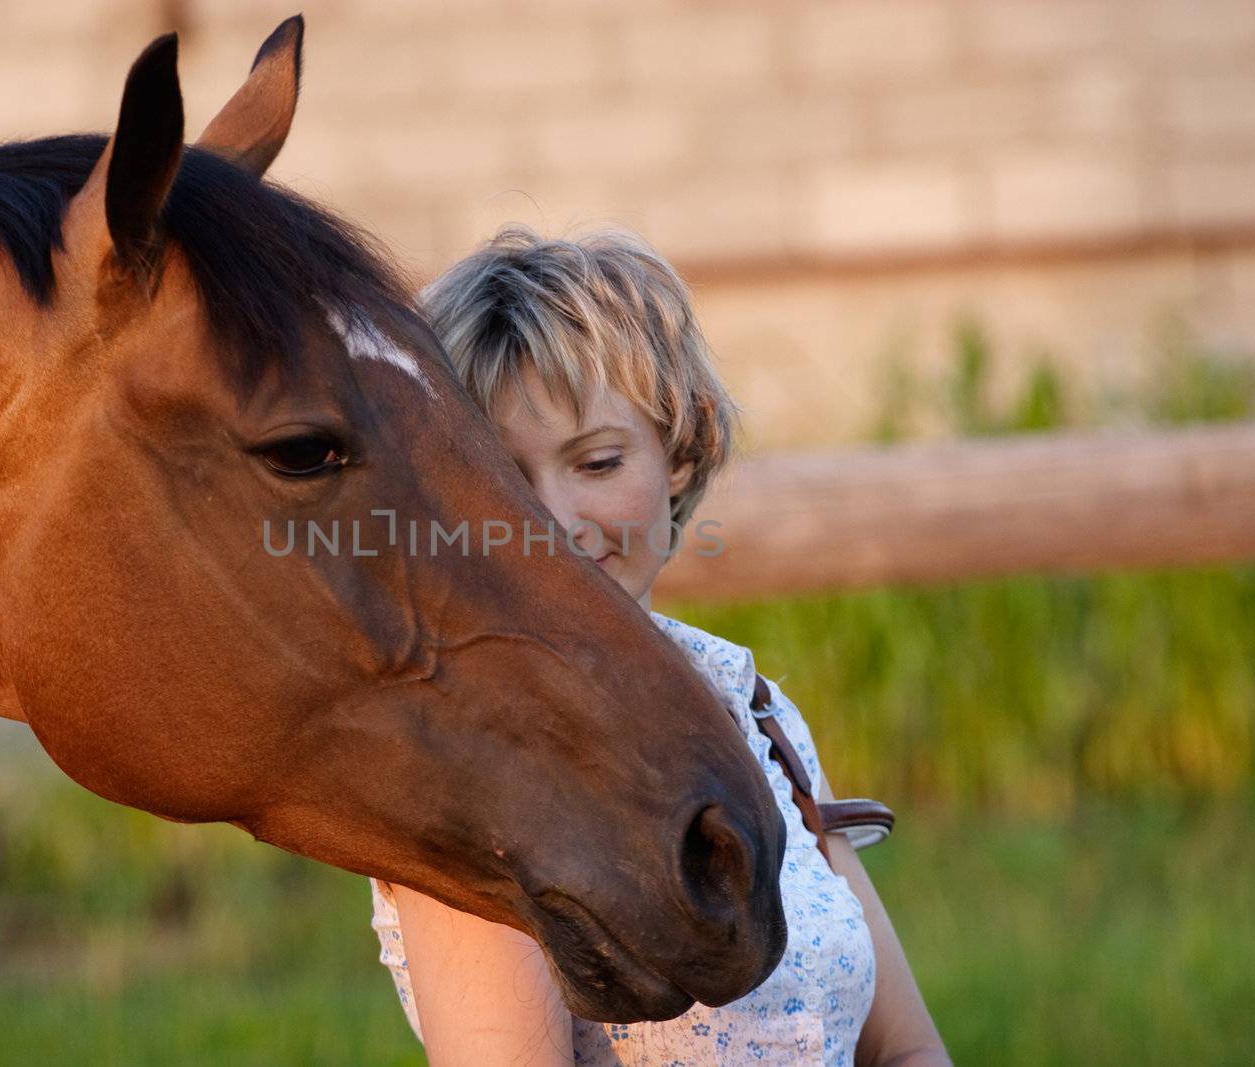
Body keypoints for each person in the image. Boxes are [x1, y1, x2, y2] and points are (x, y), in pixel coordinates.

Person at [368, 225, 949, 1066]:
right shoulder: (473, 772)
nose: (553, 523)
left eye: (598, 462)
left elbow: (904, 1051)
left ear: (679, 449)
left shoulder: (749, 706)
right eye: (500, 479)